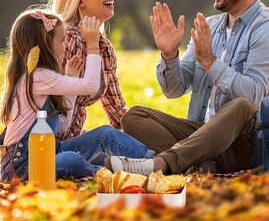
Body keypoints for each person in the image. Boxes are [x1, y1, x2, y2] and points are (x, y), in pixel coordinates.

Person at [106, 0, 269, 175]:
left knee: (241, 106)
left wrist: (210, 63)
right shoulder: (210, 27)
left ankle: (162, 164)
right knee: (134, 117)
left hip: (247, 143)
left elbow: (254, 96)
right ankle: (197, 164)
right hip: (202, 138)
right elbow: (174, 89)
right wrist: (169, 54)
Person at [0, 10, 154, 182]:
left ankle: (155, 162)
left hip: (48, 151)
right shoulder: (38, 77)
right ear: (45, 46)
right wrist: (93, 45)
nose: (65, 46)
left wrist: (71, 80)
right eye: (61, 41)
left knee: (105, 134)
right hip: (22, 166)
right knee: (71, 160)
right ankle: (112, 177)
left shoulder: (42, 78)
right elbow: (90, 85)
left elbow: (63, 127)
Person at [47, 0, 126, 140]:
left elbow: (117, 112)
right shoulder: (63, 39)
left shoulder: (104, 48)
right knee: (105, 136)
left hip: (72, 139)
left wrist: (146, 127)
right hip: (45, 144)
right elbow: (49, 105)